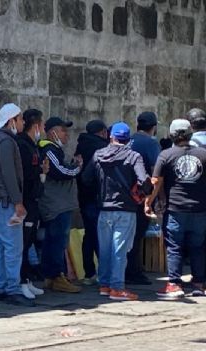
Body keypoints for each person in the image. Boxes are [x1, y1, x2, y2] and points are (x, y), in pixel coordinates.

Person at [82, 122, 152, 301]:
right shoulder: (134, 156)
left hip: (104, 208)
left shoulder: (99, 154)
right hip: (126, 209)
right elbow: (144, 181)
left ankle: (104, 284)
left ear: (111, 137)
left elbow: (86, 178)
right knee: (119, 250)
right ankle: (117, 287)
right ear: (128, 139)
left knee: (105, 249)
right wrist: (143, 192)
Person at [147, 119, 206, 299]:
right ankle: (199, 284)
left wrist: (148, 201)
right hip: (200, 209)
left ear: (172, 135)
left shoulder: (166, 155)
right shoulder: (203, 154)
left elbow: (156, 181)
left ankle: (174, 284)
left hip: (175, 208)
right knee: (198, 246)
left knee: (174, 247)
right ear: (190, 134)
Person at [0, 103, 32, 306]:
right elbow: (9, 175)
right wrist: (18, 201)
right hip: (6, 201)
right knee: (13, 247)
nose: (23, 123)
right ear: (12, 120)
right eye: (21, 120)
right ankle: (12, 288)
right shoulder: (6, 142)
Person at [38, 117, 82, 293]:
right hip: (56, 203)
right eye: (63, 131)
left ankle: (51, 276)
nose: (67, 135)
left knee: (53, 240)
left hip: (60, 202)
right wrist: (77, 167)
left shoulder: (55, 150)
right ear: (52, 132)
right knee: (57, 241)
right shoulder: (49, 149)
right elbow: (61, 171)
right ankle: (56, 275)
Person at [14, 109, 48, 299]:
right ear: (36, 126)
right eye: (42, 126)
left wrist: (42, 173)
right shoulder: (22, 145)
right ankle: (20, 281)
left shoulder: (32, 145)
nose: (42, 130)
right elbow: (25, 175)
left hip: (34, 199)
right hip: (26, 200)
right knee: (23, 244)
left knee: (30, 241)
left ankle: (26, 280)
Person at [125, 112, 161, 285]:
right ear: (153, 127)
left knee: (126, 235)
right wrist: (155, 197)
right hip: (141, 195)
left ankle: (125, 270)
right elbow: (156, 172)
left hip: (124, 195)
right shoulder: (151, 144)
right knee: (137, 235)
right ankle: (134, 272)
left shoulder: (129, 140)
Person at [75, 120, 109, 285]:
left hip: (83, 196)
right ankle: (105, 272)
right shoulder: (103, 147)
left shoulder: (80, 145)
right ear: (103, 132)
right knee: (102, 236)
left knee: (89, 234)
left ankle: (89, 272)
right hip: (99, 196)